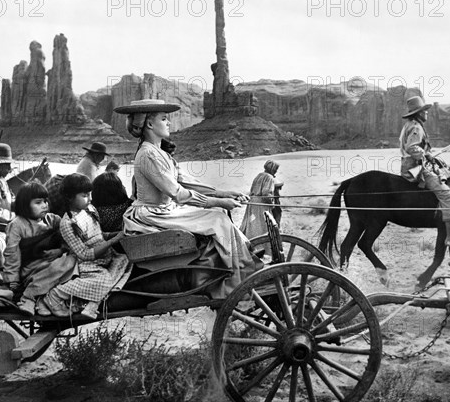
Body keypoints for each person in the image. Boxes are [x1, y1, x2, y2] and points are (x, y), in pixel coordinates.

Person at [114, 99, 262, 299]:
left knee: (217, 215)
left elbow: (187, 182)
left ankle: (243, 263)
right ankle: (240, 273)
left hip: (165, 210)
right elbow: (178, 193)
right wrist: (218, 202)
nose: (169, 123)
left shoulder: (160, 153)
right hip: (151, 214)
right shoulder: (148, 155)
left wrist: (222, 193)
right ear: (149, 124)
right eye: (164, 119)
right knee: (216, 218)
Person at [44, 173, 131, 319]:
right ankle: (56, 294)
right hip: (89, 264)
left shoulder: (90, 209)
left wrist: (118, 234)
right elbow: (84, 254)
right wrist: (112, 241)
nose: (90, 199)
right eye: (85, 195)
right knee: (104, 281)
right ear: (70, 197)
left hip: (105, 256)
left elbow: (99, 234)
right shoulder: (67, 223)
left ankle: (91, 302)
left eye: (90, 194)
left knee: (125, 260)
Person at [399, 95, 450, 248]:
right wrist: (426, 154)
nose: (427, 113)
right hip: (415, 169)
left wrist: (426, 153)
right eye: (424, 111)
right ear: (418, 113)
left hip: (411, 165)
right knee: (448, 195)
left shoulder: (410, 125)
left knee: (444, 174)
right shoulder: (416, 127)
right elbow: (412, 147)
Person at [3, 182, 76, 316]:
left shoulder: (53, 220)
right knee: (62, 266)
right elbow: (12, 254)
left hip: (53, 264)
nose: (44, 205)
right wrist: (12, 280)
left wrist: (60, 251)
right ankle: (29, 296)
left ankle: (45, 300)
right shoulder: (17, 225)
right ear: (25, 205)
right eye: (38, 202)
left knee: (73, 260)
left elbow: (69, 239)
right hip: (31, 270)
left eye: (45, 201)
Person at [240, 160, 281, 239]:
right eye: (276, 169)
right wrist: (272, 205)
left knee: (252, 225)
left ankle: (250, 239)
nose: (276, 171)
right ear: (272, 169)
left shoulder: (259, 175)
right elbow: (266, 194)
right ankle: (261, 244)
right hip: (261, 204)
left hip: (252, 202)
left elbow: (252, 190)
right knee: (262, 225)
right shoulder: (269, 178)